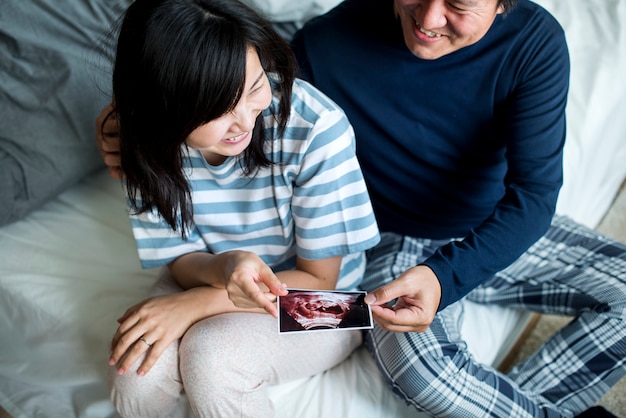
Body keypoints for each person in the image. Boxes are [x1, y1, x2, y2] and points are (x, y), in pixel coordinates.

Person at [97, 0, 626, 417]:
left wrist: (445, 275)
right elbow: (222, 83)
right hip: (383, 242)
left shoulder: (535, 44)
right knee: (422, 371)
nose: (429, 18)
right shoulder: (329, 43)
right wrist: (127, 120)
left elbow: (533, 197)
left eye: (460, 5)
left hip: (482, 224)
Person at [100, 0, 380, 416]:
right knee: (138, 371)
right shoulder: (137, 137)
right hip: (206, 273)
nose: (245, 121)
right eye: (216, 110)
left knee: (213, 360)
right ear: (161, 109)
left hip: (328, 301)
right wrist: (225, 267)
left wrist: (196, 304)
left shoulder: (317, 128)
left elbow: (321, 278)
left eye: (253, 88)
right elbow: (180, 258)